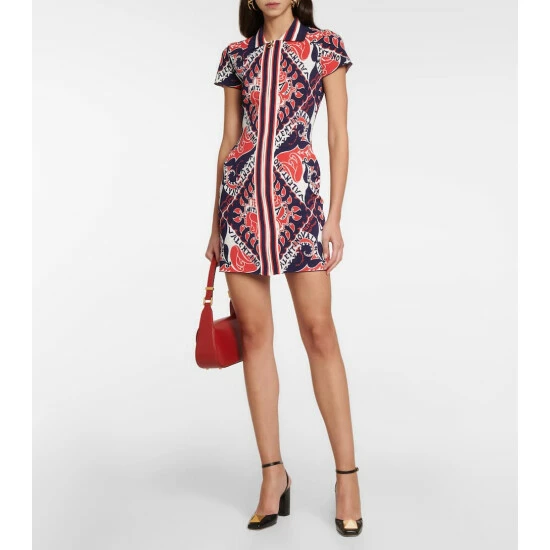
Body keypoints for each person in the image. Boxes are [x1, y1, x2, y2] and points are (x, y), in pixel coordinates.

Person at [205, 0, 363, 537]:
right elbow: (229, 140)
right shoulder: (237, 55)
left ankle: (347, 478)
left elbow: (338, 135)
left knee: (319, 331)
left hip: (300, 203)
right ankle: (273, 474)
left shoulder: (324, 47)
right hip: (241, 206)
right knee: (254, 336)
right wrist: (215, 224)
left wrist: (334, 216)